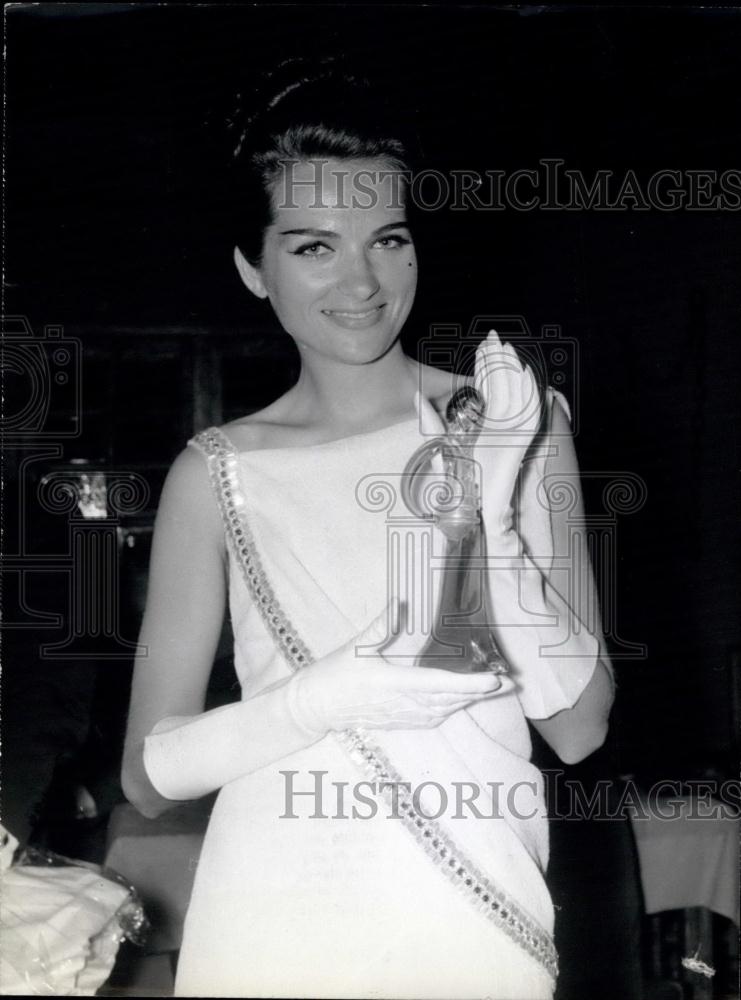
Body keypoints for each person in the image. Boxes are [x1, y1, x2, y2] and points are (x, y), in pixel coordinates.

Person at [122, 64, 615, 1000]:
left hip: (468, 917)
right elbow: (148, 778)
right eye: (314, 247)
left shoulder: (511, 417)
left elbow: (579, 726)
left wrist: (486, 513)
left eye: (387, 239)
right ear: (250, 267)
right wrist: (322, 697)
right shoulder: (216, 472)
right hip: (269, 914)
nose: (362, 280)